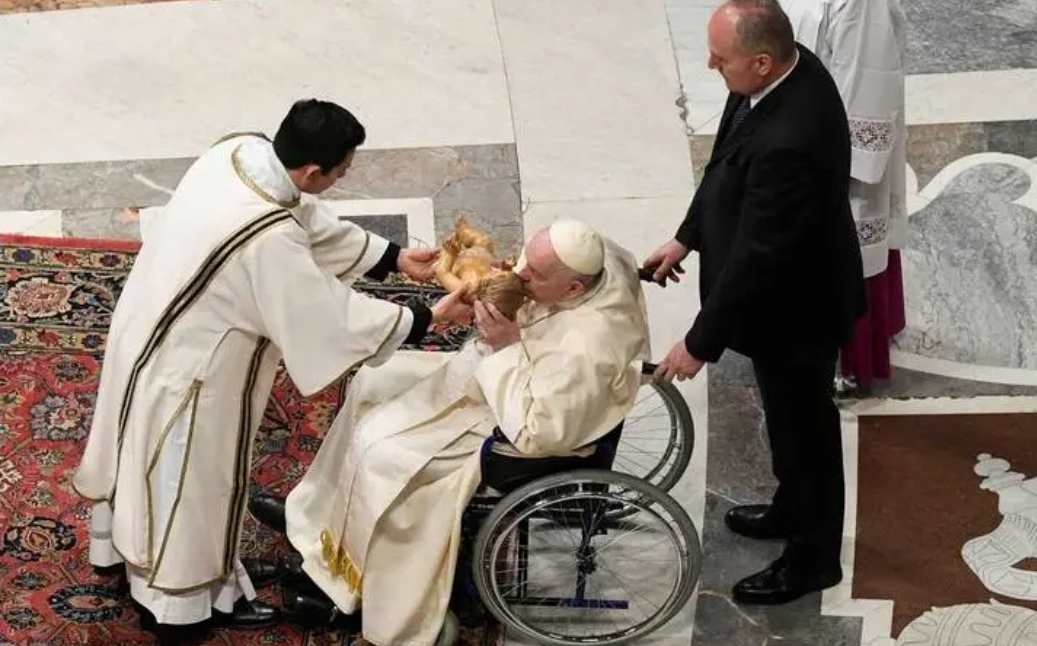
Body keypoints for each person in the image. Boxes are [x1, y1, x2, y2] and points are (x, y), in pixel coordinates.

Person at [71, 99, 473, 644]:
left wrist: (392, 257)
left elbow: (301, 216)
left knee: (144, 460)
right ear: (312, 171)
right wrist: (425, 317)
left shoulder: (240, 152)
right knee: (188, 483)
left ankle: (169, 566)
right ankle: (183, 606)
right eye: (341, 172)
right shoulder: (266, 239)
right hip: (194, 376)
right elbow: (326, 316)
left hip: (147, 322)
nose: (342, 179)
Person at [248, 220, 651, 646]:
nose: (520, 273)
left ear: (573, 288)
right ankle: (313, 520)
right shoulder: (595, 263)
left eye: (534, 274)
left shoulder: (588, 348)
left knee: (381, 456)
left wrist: (506, 348)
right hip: (491, 379)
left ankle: (361, 595)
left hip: (509, 429)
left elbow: (537, 434)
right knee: (371, 382)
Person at [645, 0, 866, 605]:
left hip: (799, 310)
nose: (711, 65)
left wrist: (699, 343)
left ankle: (812, 560)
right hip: (779, 302)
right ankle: (790, 509)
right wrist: (687, 236)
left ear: (762, 61)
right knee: (788, 424)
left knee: (806, 432)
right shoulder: (773, 76)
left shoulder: (793, 137)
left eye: (721, 59)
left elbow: (758, 257)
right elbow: (725, 164)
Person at [779, 0, 908, 395]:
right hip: (794, 126)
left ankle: (844, 359)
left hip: (832, 143)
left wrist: (830, 158)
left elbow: (866, 75)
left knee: (844, 238)